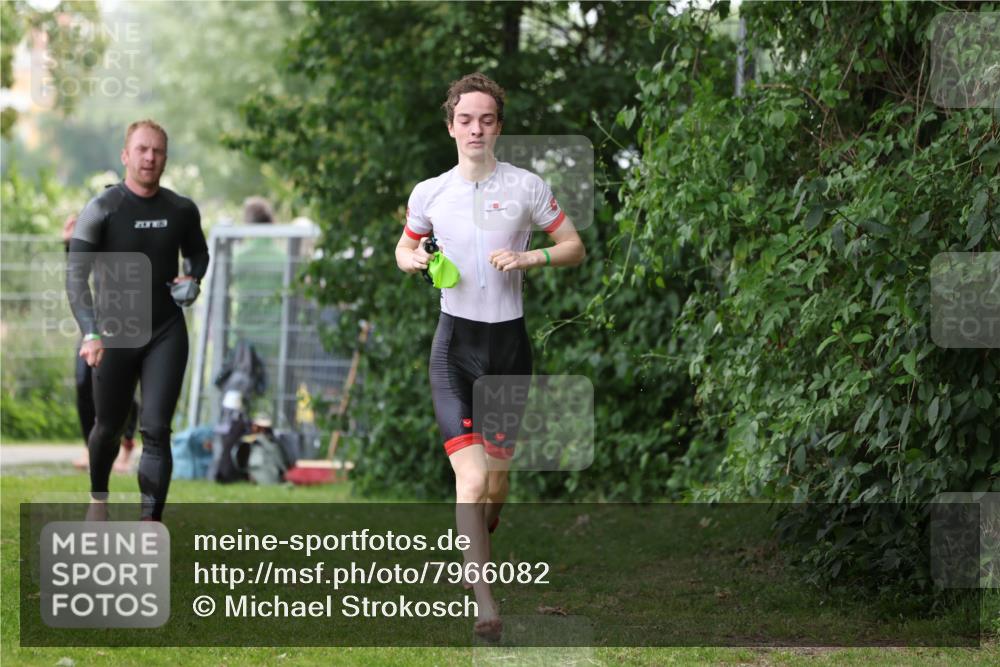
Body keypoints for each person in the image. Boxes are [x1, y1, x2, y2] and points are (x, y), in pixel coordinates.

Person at [394, 73, 586, 640]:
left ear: (498, 126)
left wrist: (531, 261)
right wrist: (414, 261)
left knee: (496, 488)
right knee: (472, 482)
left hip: (509, 350)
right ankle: (485, 602)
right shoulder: (430, 193)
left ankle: (476, 538)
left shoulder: (527, 187)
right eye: (465, 119)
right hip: (455, 350)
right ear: (451, 125)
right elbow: (406, 247)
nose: (476, 128)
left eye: (486, 119)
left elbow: (573, 246)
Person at [66, 119, 209, 521]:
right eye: (142, 149)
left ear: (165, 157)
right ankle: (98, 499)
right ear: (126, 156)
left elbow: (199, 253)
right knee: (107, 427)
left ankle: (150, 525)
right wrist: (90, 331)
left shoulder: (180, 209)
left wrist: (192, 276)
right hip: (114, 333)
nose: (150, 157)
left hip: (165, 330)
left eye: (157, 151)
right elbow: (76, 275)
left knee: (157, 430)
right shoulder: (102, 209)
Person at [62, 213, 139, 474]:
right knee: (84, 381)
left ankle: (127, 445)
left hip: (130, 321)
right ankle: (89, 445)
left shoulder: (132, 235)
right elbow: (77, 271)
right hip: (97, 320)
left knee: (123, 386)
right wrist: (70, 244)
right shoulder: (95, 234)